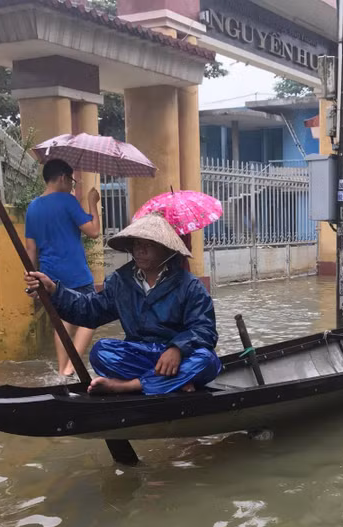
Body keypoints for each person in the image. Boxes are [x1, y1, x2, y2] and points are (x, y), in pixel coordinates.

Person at [24, 213, 222, 395]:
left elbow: (205, 330)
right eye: (137, 244)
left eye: (149, 245)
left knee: (206, 360)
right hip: (141, 354)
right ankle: (172, 382)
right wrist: (54, 291)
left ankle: (130, 385)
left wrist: (177, 349)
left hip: (176, 358)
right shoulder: (121, 281)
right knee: (100, 351)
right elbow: (89, 310)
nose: (141, 251)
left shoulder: (189, 286)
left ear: (165, 249)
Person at [25, 159, 101, 376]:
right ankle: (73, 364)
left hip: (49, 276)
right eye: (71, 180)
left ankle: (62, 369)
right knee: (91, 317)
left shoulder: (33, 207)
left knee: (63, 320)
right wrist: (92, 202)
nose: (72, 185)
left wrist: (32, 281)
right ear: (61, 177)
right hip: (76, 273)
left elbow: (30, 249)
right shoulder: (68, 201)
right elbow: (93, 231)